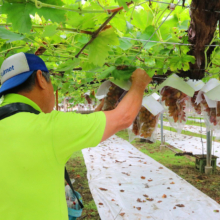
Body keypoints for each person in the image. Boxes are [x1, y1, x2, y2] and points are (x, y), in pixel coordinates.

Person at [0, 52, 152, 220]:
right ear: (40, 78)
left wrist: (104, 103)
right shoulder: (50, 128)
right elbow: (123, 117)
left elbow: (86, 123)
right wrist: (139, 83)